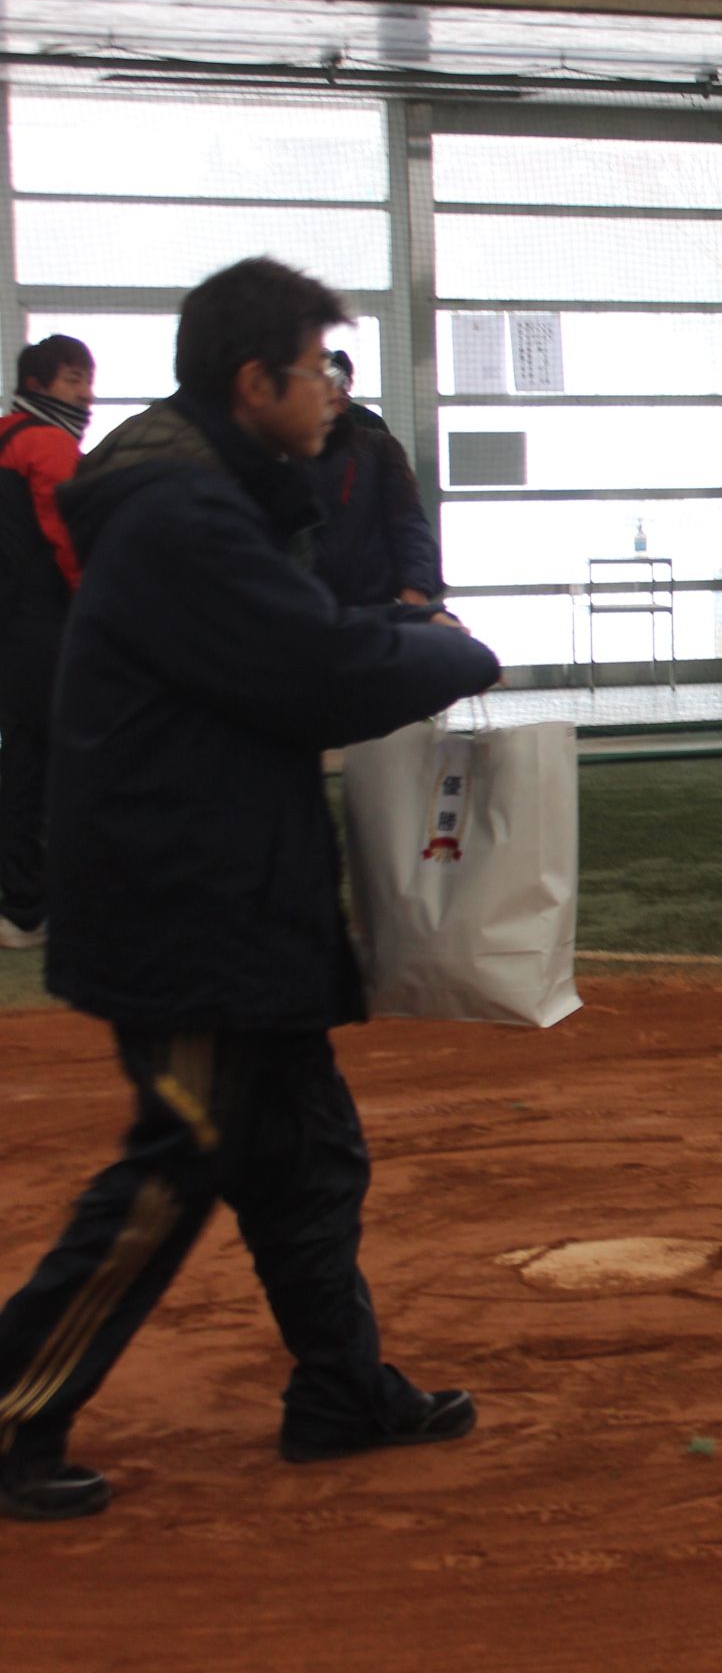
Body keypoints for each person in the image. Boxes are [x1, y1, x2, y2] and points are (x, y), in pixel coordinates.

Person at [0, 257, 502, 1523]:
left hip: (226, 890)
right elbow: (314, 665)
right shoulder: (184, 514)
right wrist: (446, 648)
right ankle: (11, 1407)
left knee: (307, 1156)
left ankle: (340, 1390)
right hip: (183, 904)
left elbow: (301, 644)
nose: (335, 392)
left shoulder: (210, 492)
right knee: (180, 1166)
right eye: (318, 369)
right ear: (253, 381)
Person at [0, 334, 93, 951]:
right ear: (39, 386)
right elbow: (69, 536)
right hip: (47, 631)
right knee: (61, 768)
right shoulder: (50, 444)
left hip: (11, 631)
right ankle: (48, 909)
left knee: (20, 765)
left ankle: (20, 908)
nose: (87, 394)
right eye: (72, 380)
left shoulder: (6, 436)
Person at [307, 351, 440, 610]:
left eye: (337, 388)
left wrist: (415, 590)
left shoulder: (377, 445)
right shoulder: (286, 447)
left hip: (372, 601)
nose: (332, 397)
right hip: (305, 606)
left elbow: (408, 521)